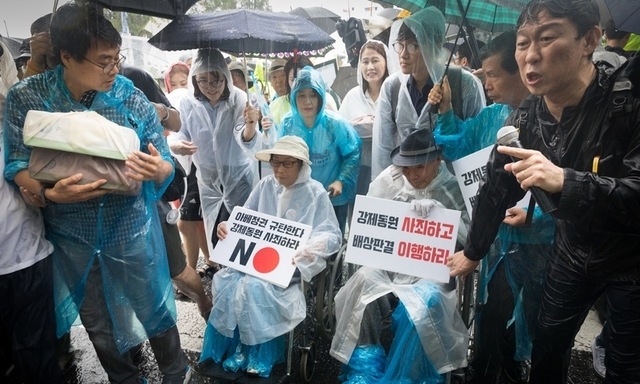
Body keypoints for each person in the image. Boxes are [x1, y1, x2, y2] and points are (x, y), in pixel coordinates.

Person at [447, 1, 640, 383]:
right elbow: (495, 188)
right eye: (522, 43)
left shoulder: (628, 100)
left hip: (630, 257)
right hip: (572, 251)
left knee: (625, 364)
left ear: (589, 39)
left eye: (547, 38)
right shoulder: (527, 116)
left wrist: (567, 181)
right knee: (547, 346)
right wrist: (472, 252)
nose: (531, 55)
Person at [3, 4, 191, 383]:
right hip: (72, 237)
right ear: (67, 56)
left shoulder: (128, 96)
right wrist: (47, 193)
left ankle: (176, 372)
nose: (115, 70)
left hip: (130, 228)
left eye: (116, 58)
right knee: (97, 320)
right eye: (104, 61)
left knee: (153, 306)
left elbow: (165, 158)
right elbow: (16, 163)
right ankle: (123, 378)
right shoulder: (28, 98)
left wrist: (160, 169)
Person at [429, 30, 554, 383]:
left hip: (538, 248)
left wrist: (536, 214)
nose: (487, 84)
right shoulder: (490, 117)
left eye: (494, 75)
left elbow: (565, 189)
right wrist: (446, 110)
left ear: (519, 70)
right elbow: (458, 148)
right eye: (483, 76)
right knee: (490, 321)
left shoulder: (552, 120)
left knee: (527, 329)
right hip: (495, 243)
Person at [330, 129, 470, 383]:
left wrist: (441, 215)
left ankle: (410, 371)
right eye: (406, 168)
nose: (413, 175)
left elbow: (472, 238)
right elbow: (369, 219)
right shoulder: (391, 180)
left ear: (438, 160)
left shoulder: (453, 187)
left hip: (436, 270)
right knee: (361, 282)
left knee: (424, 302)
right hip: (392, 263)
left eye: (420, 167)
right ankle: (366, 362)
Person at [197, 136, 342, 378]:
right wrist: (227, 226)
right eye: (276, 163)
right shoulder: (265, 185)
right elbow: (245, 217)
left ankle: (259, 354)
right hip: (254, 260)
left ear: (301, 165)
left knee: (256, 287)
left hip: (290, 266)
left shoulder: (315, 192)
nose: (280, 170)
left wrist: (312, 247)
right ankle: (236, 349)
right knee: (227, 281)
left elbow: (331, 233)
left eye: (287, 164)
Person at [119, 65, 212, 319]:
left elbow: (174, 121)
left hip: (151, 196)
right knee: (124, 278)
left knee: (177, 268)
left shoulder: (133, 79)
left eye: (115, 58)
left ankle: (204, 302)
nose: (111, 67)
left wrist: (160, 112)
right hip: (112, 208)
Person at [0, 40, 60, 384]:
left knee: (36, 357)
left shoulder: (19, 121)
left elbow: (40, 179)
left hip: (25, 260)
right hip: (23, 260)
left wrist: (43, 192)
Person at [371, 6, 485, 179]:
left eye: (412, 46)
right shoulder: (392, 87)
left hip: (454, 187)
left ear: (434, 44)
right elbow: (383, 147)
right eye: (399, 45)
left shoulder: (465, 84)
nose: (403, 54)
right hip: (409, 184)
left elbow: (478, 144)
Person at [248, 66, 361, 235]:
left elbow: (352, 154)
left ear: (321, 97)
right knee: (302, 239)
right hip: (300, 195)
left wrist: (341, 181)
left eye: (313, 95)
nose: (307, 101)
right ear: (294, 98)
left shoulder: (335, 124)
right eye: (301, 95)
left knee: (328, 237)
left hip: (332, 195)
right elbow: (282, 154)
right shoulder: (288, 123)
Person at [169, 47, 257, 262]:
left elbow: (244, 139)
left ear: (225, 78)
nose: (210, 87)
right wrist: (177, 146)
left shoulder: (239, 99)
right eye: (203, 81)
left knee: (241, 235)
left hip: (238, 178)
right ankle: (224, 279)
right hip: (208, 181)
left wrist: (250, 124)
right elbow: (176, 134)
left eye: (216, 80)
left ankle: (244, 282)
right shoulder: (188, 103)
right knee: (217, 236)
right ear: (195, 80)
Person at [339, 40, 391, 196]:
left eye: (375, 60)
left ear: (386, 62)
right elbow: (341, 134)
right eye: (365, 62)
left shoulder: (394, 92)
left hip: (390, 169)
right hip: (359, 170)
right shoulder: (352, 97)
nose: (370, 67)